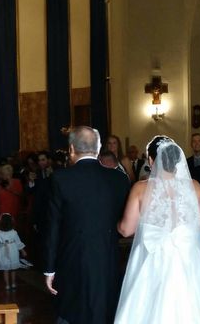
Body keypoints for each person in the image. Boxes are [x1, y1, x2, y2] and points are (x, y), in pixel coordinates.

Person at [115, 136, 200, 324]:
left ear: (152, 160)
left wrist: (117, 222)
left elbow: (126, 230)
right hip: (189, 257)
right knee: (193, 306)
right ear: (178, 161)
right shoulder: (194, 186)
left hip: (154, 258)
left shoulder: (140, 188)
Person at [44, 126, 130, 324]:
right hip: (107, 256)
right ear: (99, 148)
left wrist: (49, 269)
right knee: (104, 309)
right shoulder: (118, 179)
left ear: (72, 149)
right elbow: (124, 222)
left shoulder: (60, 178)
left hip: (72, 256)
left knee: (73, 311)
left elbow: (53, 226)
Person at [0, 213, 28, 291]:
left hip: (2, 252)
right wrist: (23, 251)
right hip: (13, 251)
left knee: (5, 270)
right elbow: (18, 242)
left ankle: (7, 285)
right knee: (13, 269)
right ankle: (13, 283)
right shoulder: (14, 233)